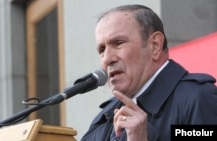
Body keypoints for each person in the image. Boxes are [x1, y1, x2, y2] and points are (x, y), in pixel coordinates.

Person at [81, 4, 217, 141]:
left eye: (118, 43)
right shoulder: (103, 119)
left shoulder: (197, 98)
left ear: (155, 45)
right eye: (102, 49)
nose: (107, 58)